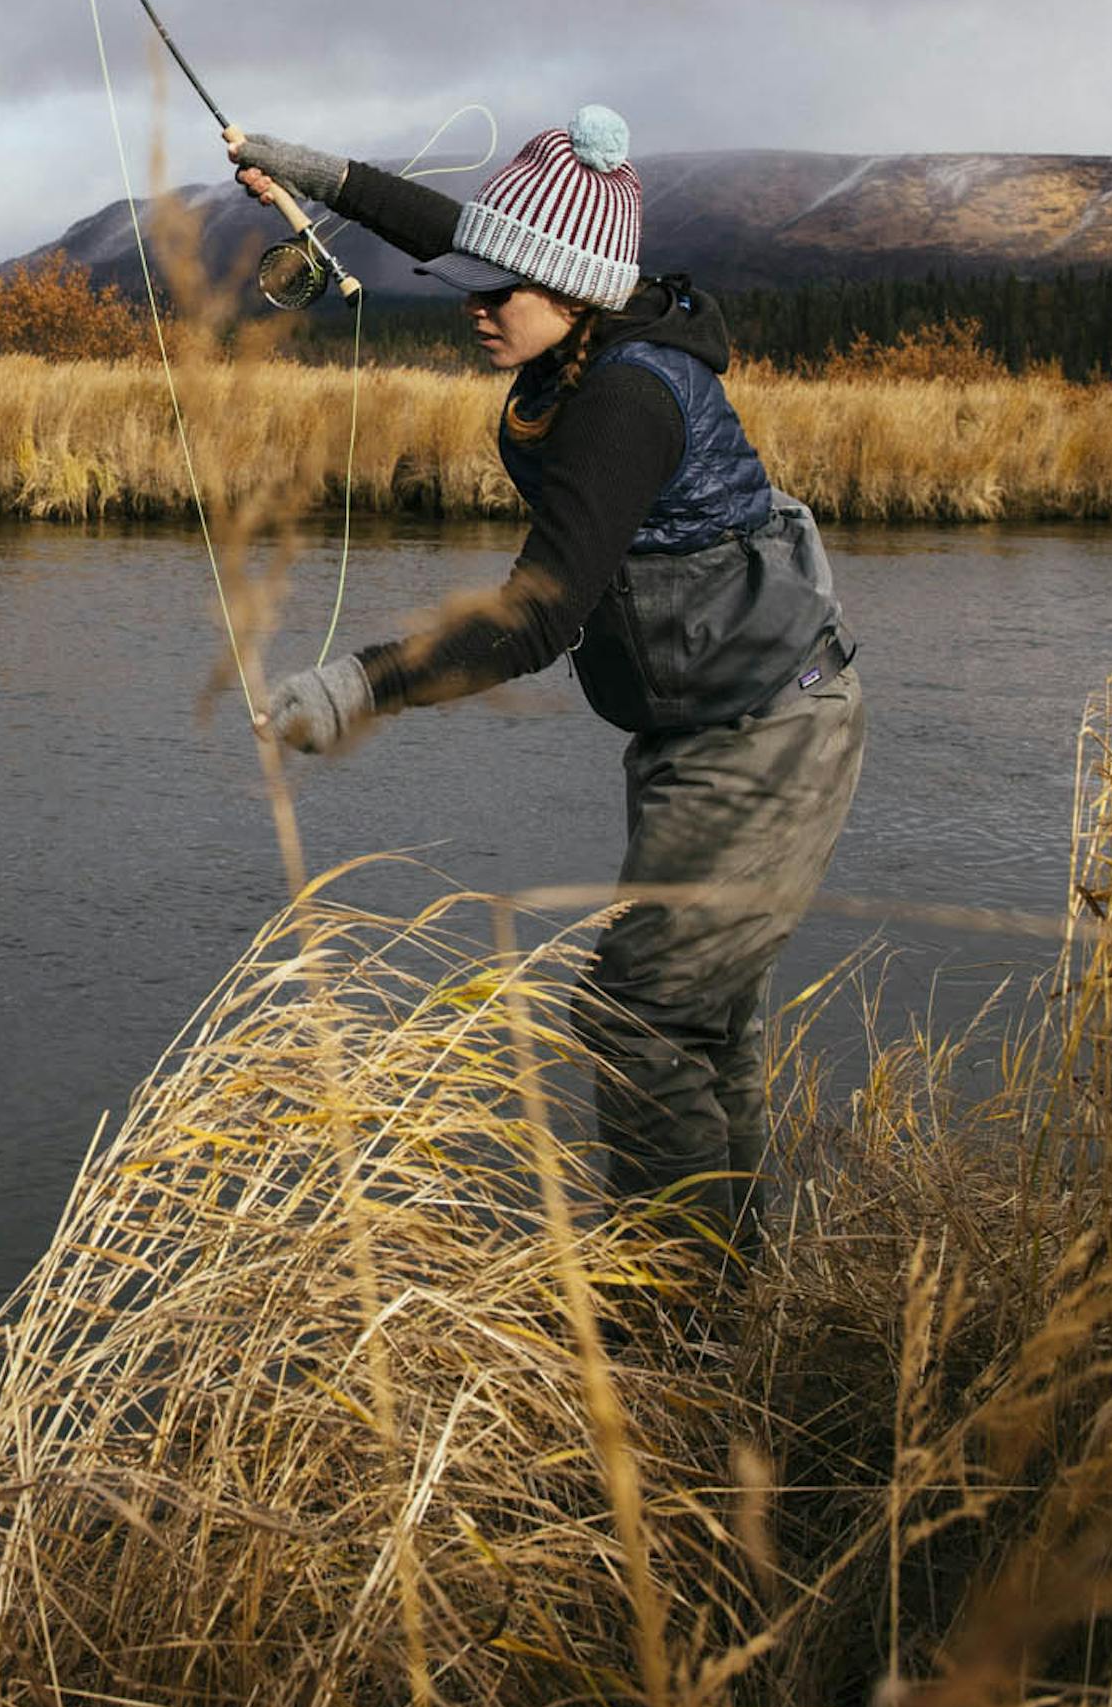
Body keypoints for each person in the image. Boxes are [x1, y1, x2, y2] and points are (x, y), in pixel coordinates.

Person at [228, 105, 865, 1253]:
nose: (473, 304)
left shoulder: (624, 398)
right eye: (470, 283)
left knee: (639, 1016)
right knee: (698, 1024)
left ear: (573, 291)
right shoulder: (578, 322)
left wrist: (358, 686)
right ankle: (738, 1300)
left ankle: (686, 1318)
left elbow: (535, 622)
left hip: (765, 731)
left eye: (497, 292)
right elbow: (438, 222)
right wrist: (303, 169)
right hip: (701, 727)